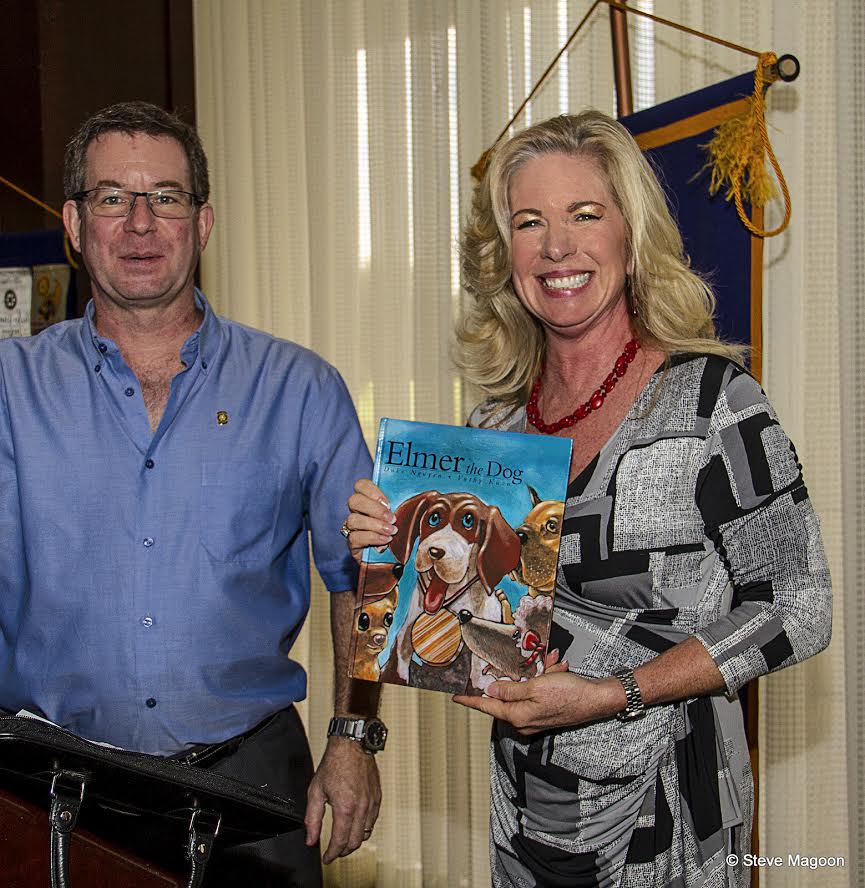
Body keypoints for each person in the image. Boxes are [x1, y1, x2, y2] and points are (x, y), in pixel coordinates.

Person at [343, 110, 832, 888]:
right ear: (505, 255)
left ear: (630, 238)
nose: (556, 246)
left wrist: (615, 693)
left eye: (584, 214)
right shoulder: (494, 429)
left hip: (673, 813)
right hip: (527, 812)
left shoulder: (712, 404)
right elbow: (476, 616)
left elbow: (798, 609)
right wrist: (385, 547)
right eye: (528, 222)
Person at [0, 101, 385, 887]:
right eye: (112, 197)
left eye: (166, 197)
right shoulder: (9, 388)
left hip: (252, 790)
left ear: (202, 223)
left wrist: (353, 738)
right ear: (74, 223)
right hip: (50, 794)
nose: (140, 223)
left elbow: (365, 576)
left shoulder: (299, 389)